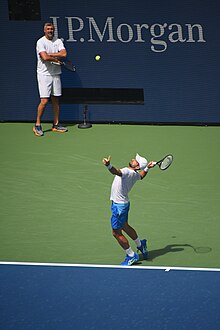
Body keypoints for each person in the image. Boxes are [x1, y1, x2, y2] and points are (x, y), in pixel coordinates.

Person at [102, 153, 156, 266]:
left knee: (116, 233)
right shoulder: (135, 174)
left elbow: (116, 172)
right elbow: (141, 176)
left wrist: (108, 165)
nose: (133, 159)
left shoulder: (127, 171)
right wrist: (147, 168)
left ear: (136, 166)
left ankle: (131, 255)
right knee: (125, 225)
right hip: (124, 204)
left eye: (136, 161)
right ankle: (140, 244)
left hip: (118, 207)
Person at [33, 22, 68, 137]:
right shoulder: (40, 42)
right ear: (44, 30)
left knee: (55, 99)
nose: (50, 31)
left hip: (56, 74)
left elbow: (64, 53)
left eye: (52, 29)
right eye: (48, 29)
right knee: (44, 101)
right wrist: (54, 57)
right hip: (44, 75)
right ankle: (37, 125)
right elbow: (44, 57)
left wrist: (52, 55)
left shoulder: (58, 41)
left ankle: (56, 124)